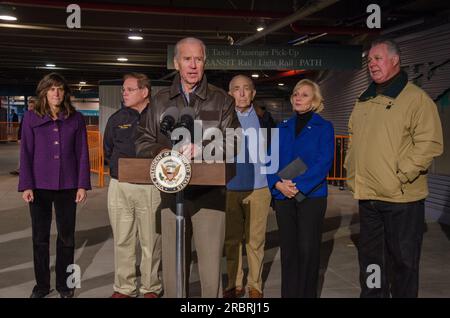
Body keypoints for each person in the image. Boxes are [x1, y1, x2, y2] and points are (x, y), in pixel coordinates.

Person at [135, 37, 239, 297]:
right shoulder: (159, 101)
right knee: (172, 267)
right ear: (176, 63)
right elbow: (141, 140)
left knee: (210, 268)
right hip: (171, 194)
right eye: (187, 59)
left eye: (199, 59)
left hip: (210, 196)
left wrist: (204, 150)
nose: (193, 65)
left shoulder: (222, 100)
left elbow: (235, 142)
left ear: (205, 62)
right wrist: (163, 152)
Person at [344, 38, 443, 298]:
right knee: (372, 261)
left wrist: (400, 176)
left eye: (378, 59)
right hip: (369, 197)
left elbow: (430, 143)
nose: (372, 65)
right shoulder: (363, 100)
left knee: (403, 262)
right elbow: (354, 139)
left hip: (402, 198)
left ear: (395, 60)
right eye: (369, 61)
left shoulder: (415, 99)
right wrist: (351, 170)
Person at [18, 73, 91, 298]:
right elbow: (26, 153)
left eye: (59, 89)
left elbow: (82, 153)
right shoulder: (31, 118)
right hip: (39, 186)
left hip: (68, 186)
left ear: (65, 93)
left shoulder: (76, 118)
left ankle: (65, 284)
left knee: (67, 237)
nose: (56, 93)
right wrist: (26, 185)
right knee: (39, 238)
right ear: (44, 93)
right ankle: (41, 285)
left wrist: (82, 185)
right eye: (51, 89)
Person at [267, 79, 334, 298]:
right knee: (289, 253)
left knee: (307, 251)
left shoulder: (325, 127)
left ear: (315, 100)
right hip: (283, 195)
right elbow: (269, 161)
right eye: (296, 93)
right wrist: (277, 183)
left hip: (311, 197)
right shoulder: (282, 127)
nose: (298, 97)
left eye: (304, 94)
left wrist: (297, 186)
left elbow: (324, 162)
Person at [103, 72, 162, 298]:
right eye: (123, 90)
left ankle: (150, 287)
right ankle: (124, 288)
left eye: (129, 89)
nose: (124, 93)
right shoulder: (116, 119)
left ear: (144, 92)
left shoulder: (159, 117)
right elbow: (108, 150)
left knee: (151, 240)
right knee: (123, 239)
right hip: (120, 187)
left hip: (151, 187)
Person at [223, 75, 276, 298]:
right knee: (232, 241)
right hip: (230, 189)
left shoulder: (266, 121)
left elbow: (275, 154)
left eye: (246, 89)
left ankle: (255, 285)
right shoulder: (221, 120)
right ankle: (234, 283)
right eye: (237, 89)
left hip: (260, 189)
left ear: (253, 94)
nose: (242, 93)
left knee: (256, 241)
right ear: (230, 94)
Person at [10, 97, 36, 176]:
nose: (30, 108)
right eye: (29, 106)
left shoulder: (38, 116)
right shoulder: (26, 116)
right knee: (23, 154)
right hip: (25, 138)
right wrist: (19, 138)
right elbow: (21, 127)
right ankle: (20, 169)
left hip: (34, 139)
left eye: (32, 106)